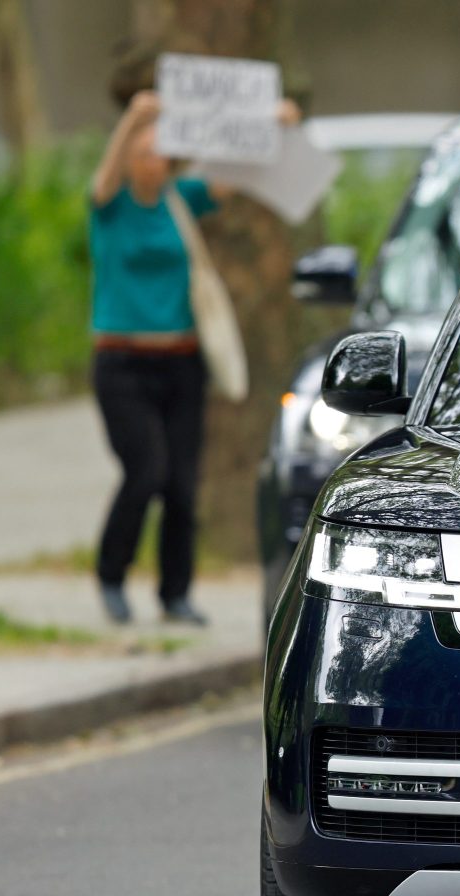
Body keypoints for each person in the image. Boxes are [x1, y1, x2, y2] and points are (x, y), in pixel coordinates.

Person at [88, 89, 297, 624]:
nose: (154, 160)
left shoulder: (181, 199)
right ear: (131, 159)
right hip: (122, 363)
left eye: (161, 151)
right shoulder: (110, 208)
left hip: (181, 362)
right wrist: (137, 115)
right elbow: (103, 177)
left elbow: (234, 176)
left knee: (182, 483)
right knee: (146, 469)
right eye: (144, 151)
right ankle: (111, 575)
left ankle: (174, 594)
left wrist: (271, 127)